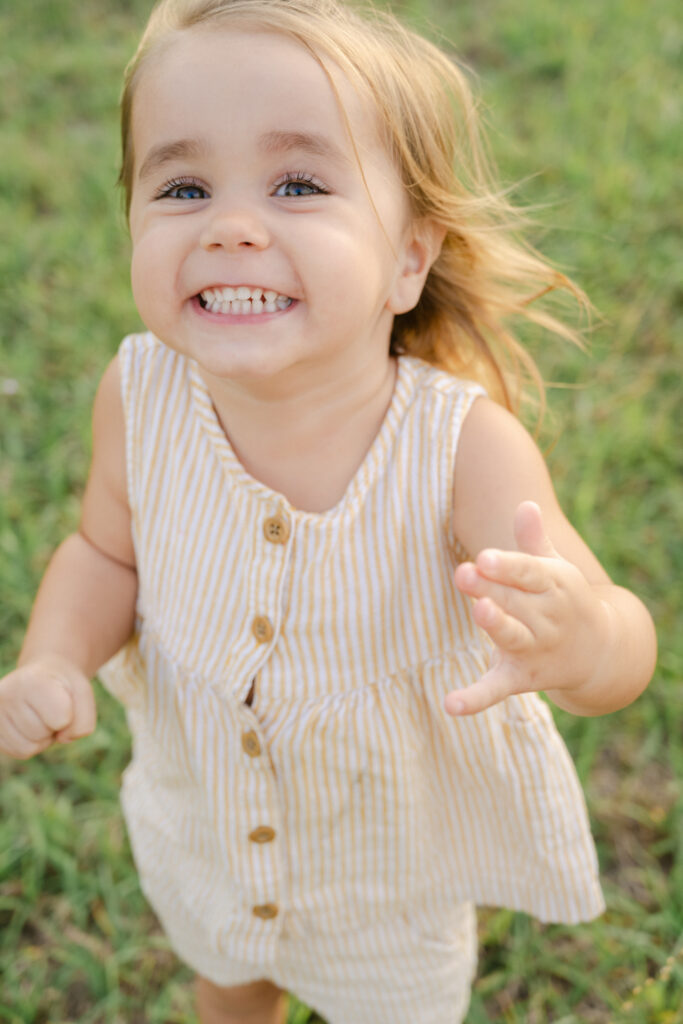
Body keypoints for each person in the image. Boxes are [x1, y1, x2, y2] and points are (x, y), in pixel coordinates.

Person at [0, 1, 657, 1021]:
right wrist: (51, 658)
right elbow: (104, 554)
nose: (229, 224)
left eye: (298, 185)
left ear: (408, 259)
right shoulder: (140, 393)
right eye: (182, 187)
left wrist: (582, 642)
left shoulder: (461, 449)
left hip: (386, 877)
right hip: (207, 823)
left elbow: (618, 640)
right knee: (226, 977)